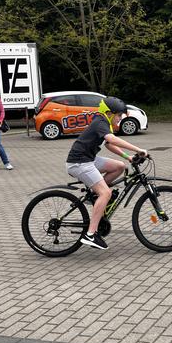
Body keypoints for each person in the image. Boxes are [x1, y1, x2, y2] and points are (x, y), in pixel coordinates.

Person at [66, 96, 148, 250]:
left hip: (88, 159)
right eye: (118, 116)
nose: (120, 119)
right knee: (106, 193)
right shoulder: (100, 122)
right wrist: (138, 150)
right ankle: (90, 234)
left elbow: (109, 144)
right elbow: (112, 139)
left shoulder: (104, 123)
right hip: (79, 163)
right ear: (109, 113)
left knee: (119, 166)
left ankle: (97, 195)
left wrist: (128, 157)